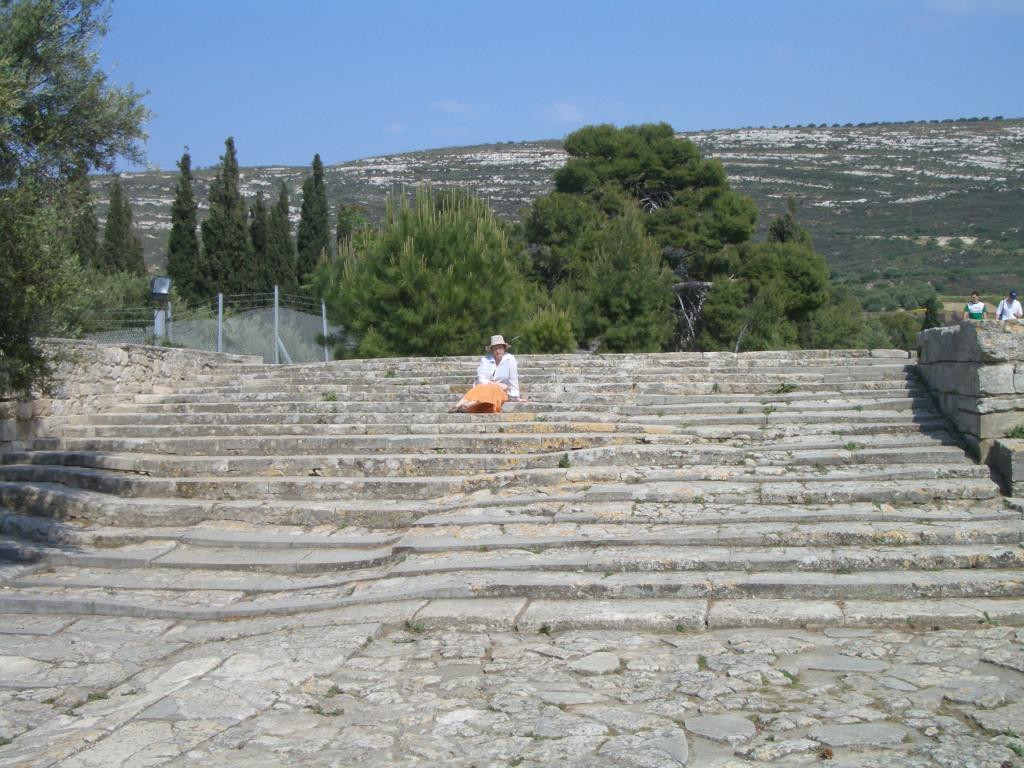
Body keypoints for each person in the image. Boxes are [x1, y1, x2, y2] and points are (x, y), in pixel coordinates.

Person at [449, 334, 522, 413]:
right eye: (495, 348)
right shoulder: (485, 360)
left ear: (504, 348)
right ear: (491, 350)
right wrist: (497, 384)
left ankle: (467, 405)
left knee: (492, 389)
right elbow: (481, 379)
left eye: (500, 348)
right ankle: (458, 405)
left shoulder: (510, 359)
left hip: (501, 392)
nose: (498, 351)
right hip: (484, 388)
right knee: (480, 387)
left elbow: (513, 378)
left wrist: (517, 397)